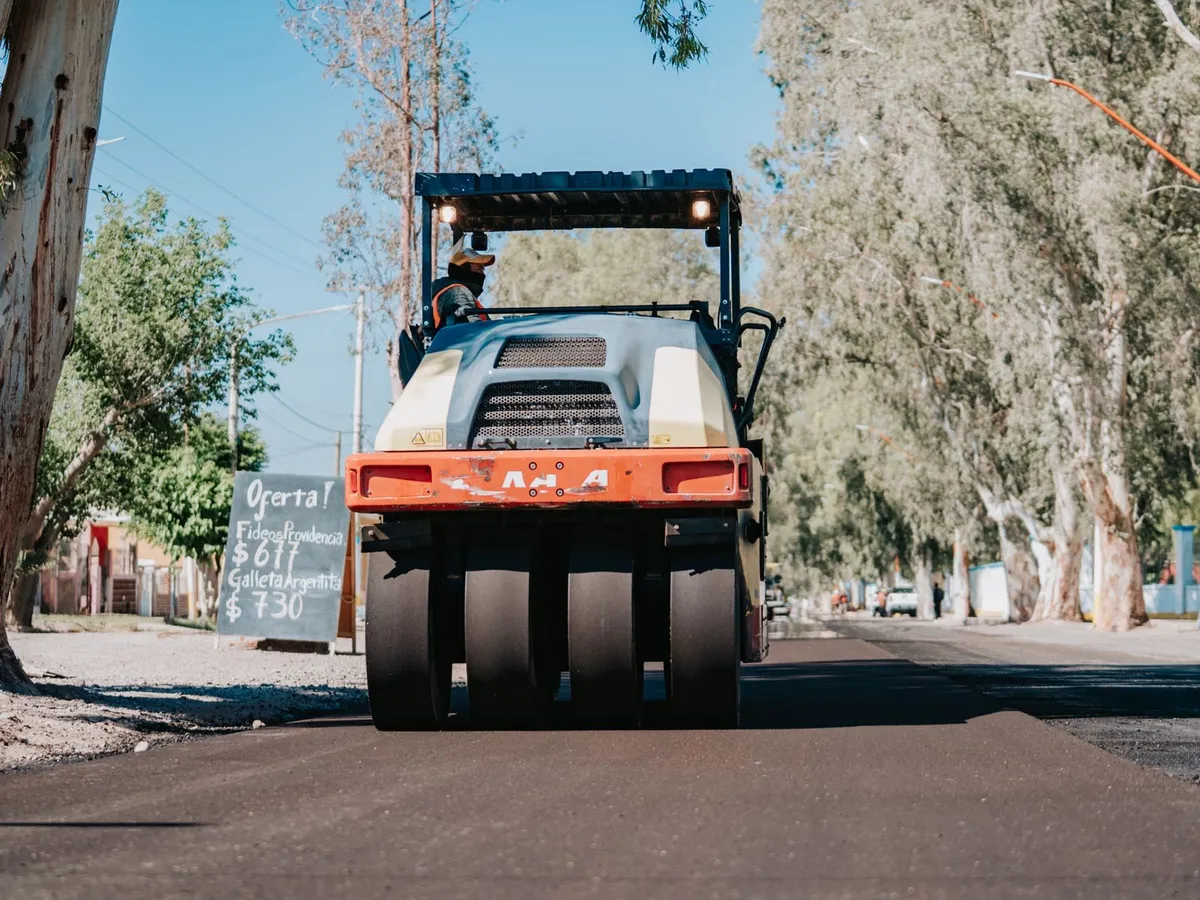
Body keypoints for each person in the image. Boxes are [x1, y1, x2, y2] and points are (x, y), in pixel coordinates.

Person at [431, 239, 495, 329]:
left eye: (483, 269)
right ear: (463, 269)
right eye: (479, 268)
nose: (482, 274)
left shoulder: (447, 288)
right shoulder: (458, 291)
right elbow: (475, 327)